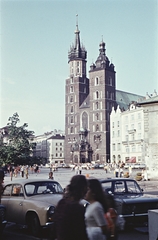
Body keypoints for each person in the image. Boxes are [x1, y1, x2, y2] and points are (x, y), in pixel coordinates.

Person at [52, 175, 88, 240]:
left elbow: (54, 228)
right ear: (84, 188)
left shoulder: (61, 202)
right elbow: (81, 234)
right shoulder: (78, 208)